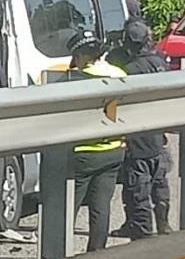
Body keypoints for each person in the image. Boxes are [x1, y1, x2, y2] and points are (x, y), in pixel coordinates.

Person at [66, 29, 126, 252]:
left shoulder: (74, 79)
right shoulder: (118, 73)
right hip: (113, 149)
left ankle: (59, 250)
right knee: (101, 208)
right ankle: (96, 253)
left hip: (82, 153)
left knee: (67, 208)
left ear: (80, 56)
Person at [112, 21, 172, 239]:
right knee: (160, 183)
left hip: (137, 137)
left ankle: (142, 235)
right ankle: (163, 225)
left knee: (138, 189)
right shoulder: (160, 62)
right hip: (158, 133)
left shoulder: (130, 71)